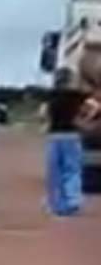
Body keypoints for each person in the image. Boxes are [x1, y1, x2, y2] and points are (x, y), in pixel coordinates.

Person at [43, 68, 89, 216]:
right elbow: (94, 106)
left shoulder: (51, 95)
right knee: (72, 170)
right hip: (72, 135)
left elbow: (43, 114)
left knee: (55, 171)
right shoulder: (76, 95)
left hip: (55, 136)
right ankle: (73, 201)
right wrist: (83, 119)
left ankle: (56, 204)